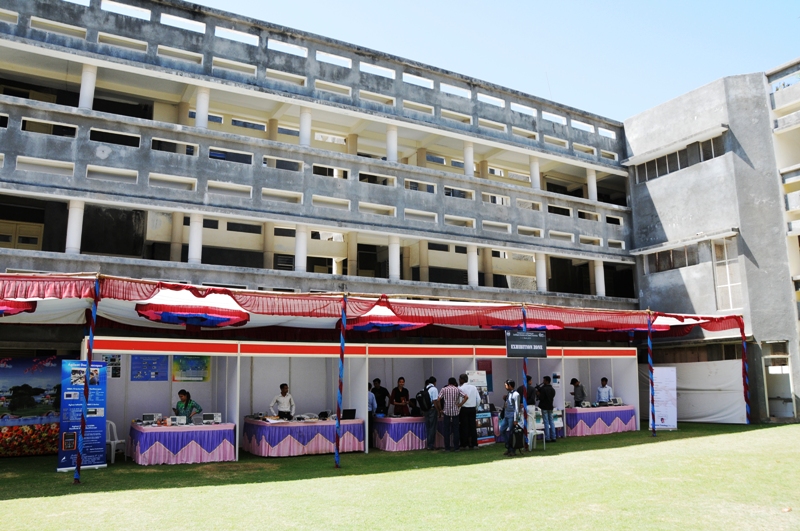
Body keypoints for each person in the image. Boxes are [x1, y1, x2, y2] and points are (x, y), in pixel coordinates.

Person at [438, 377, 467, 452]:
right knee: (456, 429)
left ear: (448, 383)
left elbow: (438, 399)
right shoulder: (457, 389)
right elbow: (466, 397)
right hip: (455, 411)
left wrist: (440, 409)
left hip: (446, 411)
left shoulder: (444, 389)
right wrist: (460, 404)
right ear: (454, 383)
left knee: (446, 429)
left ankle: (447, 448)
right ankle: (456, 447)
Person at [458, 373, 480, 450]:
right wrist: (476, 407)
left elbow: (460, 400)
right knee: (473, 427)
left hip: (464, 409)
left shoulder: (461, 388)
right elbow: (478, 399)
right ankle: (474, 444)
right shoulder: (474, 387)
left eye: (459, 379)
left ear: (462, 380)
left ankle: (465, 444)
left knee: (464, 427)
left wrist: (459, 409)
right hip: (472, 408)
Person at [502, 379, 521, 457]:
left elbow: (517, 408)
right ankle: (508, 446)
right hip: (506, 416)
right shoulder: (508, 393)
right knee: (501, 430)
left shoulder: (516, 394)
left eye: (506, 385)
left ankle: (512, 450)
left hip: (512, 416)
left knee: (511, 433)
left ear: (509, 385)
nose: (505, 386)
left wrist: (515, 419)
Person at [537, 376, 557, 443]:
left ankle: (547, 438)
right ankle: (553, 437)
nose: (543, 382)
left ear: (547, 381)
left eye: (544, 380)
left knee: (546, 422)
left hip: (544, 407)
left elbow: (541, 398)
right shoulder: (552, 389)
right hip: (550, 406)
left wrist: (538, 394)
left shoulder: (543, 389)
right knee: (551, 421)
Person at [423, 377, 439, 450]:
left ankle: (428, 444)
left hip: (426, 410)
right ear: (434, 382)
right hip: (432, 410)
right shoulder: (434, 389)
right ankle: (431, 445)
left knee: (428, 427)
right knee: (432, 427)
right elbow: (434, 401)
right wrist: (438, 410)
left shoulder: (425, 389)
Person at [367, 383, 378, 448]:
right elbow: (375, 406)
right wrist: (373, 413)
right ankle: (370, 444)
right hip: (369, 412)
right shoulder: (371, 394)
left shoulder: (361, 394)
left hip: (362, 412)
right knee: (370, 429)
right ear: (370, 388)